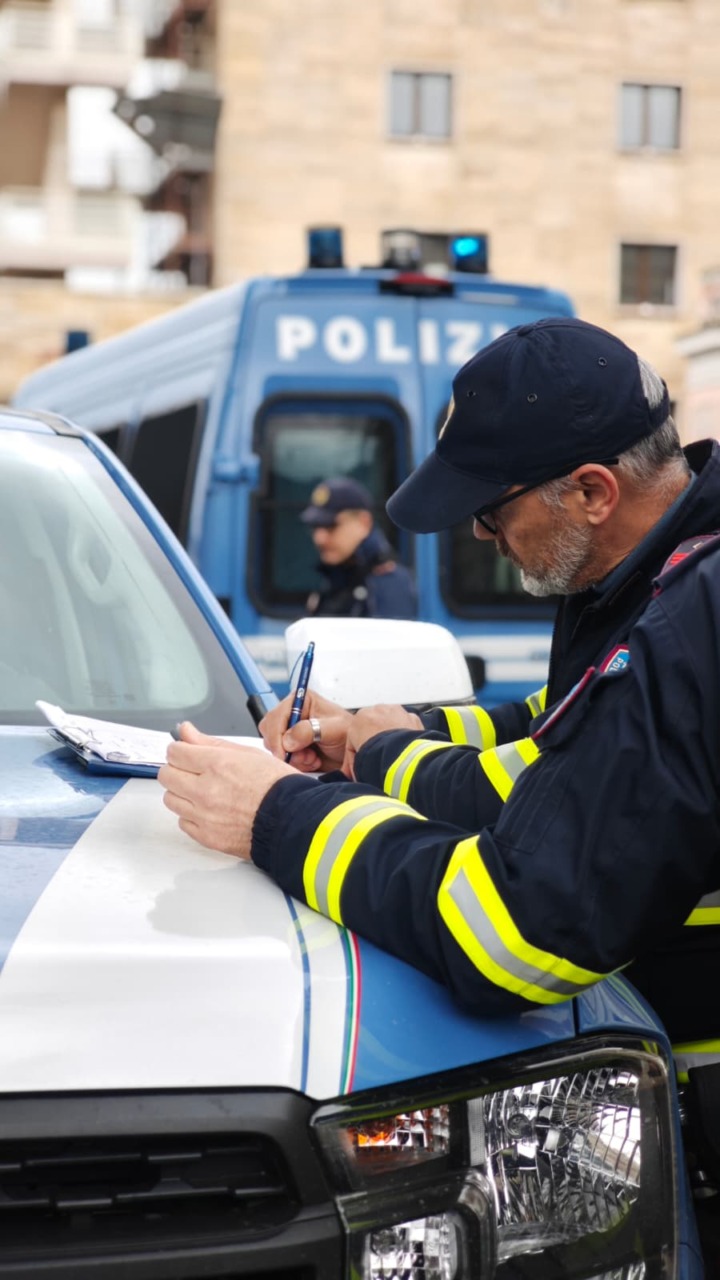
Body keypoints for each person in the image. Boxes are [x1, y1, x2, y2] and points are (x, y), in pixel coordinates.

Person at [158, 318, 720, 1191]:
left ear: (592, 492)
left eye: (492, 511)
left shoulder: (679, 630)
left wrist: (273, 815)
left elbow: (515, 933)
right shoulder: (663, 577)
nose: (483, 536)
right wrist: (375, 737)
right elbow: (558, 736)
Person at [298, 475, 416, 619]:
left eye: (332, 525)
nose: (320, 539)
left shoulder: (388, 584)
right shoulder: (339, 576)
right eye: (315, 527)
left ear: (364, 523)